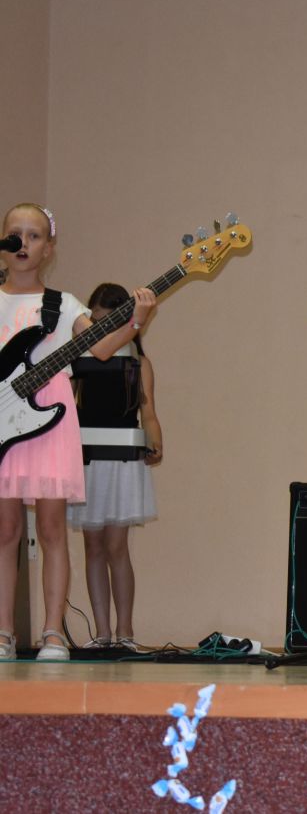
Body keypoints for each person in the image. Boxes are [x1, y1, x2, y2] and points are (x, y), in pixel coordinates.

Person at [0, 204, 155, 661]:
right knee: (6, 530)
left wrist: (137, 319)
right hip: (5, 421)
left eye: (34, 236)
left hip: (49, 421)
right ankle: (3, 632)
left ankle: (52, 632)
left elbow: (102, 348)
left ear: (49, 249)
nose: (24, 243)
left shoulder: (63, 304)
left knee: (52, 528)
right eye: (15, 234)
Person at [68, 282, 163, 652]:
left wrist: (155, 441)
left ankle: (126, 632)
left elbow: (148, 411)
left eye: (111, 321)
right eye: (97, 321)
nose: (102, 328)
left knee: (116, 545)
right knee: (92, 545)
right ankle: (102, 632)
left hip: (122, 459)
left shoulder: (138, 361)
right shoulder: (78, 360)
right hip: (86, 458)